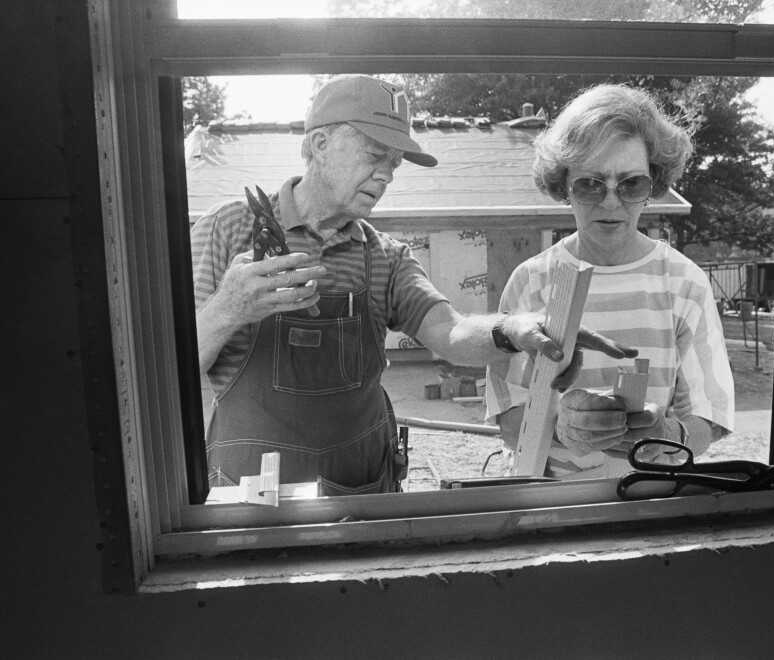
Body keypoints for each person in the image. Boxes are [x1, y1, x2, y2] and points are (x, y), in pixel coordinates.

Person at [191, 74, 636, 495]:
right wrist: (229, 307)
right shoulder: (228, 229)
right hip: (250, 500)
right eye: (374, 155)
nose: (386, 175)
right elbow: (168, 370)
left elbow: (452, 334)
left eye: (394, 163)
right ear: (320, 144)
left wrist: (515, 328)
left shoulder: (386, 256)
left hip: (361, 496)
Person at [486, 83, 735, 479]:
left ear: (653, 183)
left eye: (631, 184)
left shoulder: (684, 282)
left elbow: (710, 417)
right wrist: (560, 426)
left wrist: (666, 433)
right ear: (563, 185)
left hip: (650, 503)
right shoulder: (530, 282)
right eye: (590, 184)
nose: (611, 201)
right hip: (551, 507)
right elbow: (507, 417)